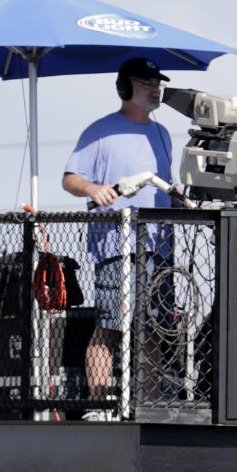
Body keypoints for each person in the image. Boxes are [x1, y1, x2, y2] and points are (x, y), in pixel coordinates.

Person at [63, 57, 175, 421]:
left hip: (158, 246)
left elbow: (168, 186)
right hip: (116, 245)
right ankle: (97, 404)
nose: (154, 88)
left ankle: (149, 403)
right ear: (125, 87)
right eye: (146, 82)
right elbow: (70, 179)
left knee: (153, 327)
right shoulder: (100, 131)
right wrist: (93, 189)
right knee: (109, 326)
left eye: (157, 82)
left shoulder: (162, 134)